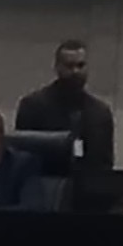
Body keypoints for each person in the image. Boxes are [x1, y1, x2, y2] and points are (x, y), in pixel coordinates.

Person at [14, 39, 113, 170]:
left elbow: (106, 164)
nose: (75, 71)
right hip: (45, 179)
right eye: (69, 66)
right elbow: (21, 158)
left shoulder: (100, 113)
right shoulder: (33, 107)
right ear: (57, 67)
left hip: (89, 180)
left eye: (80, 65)